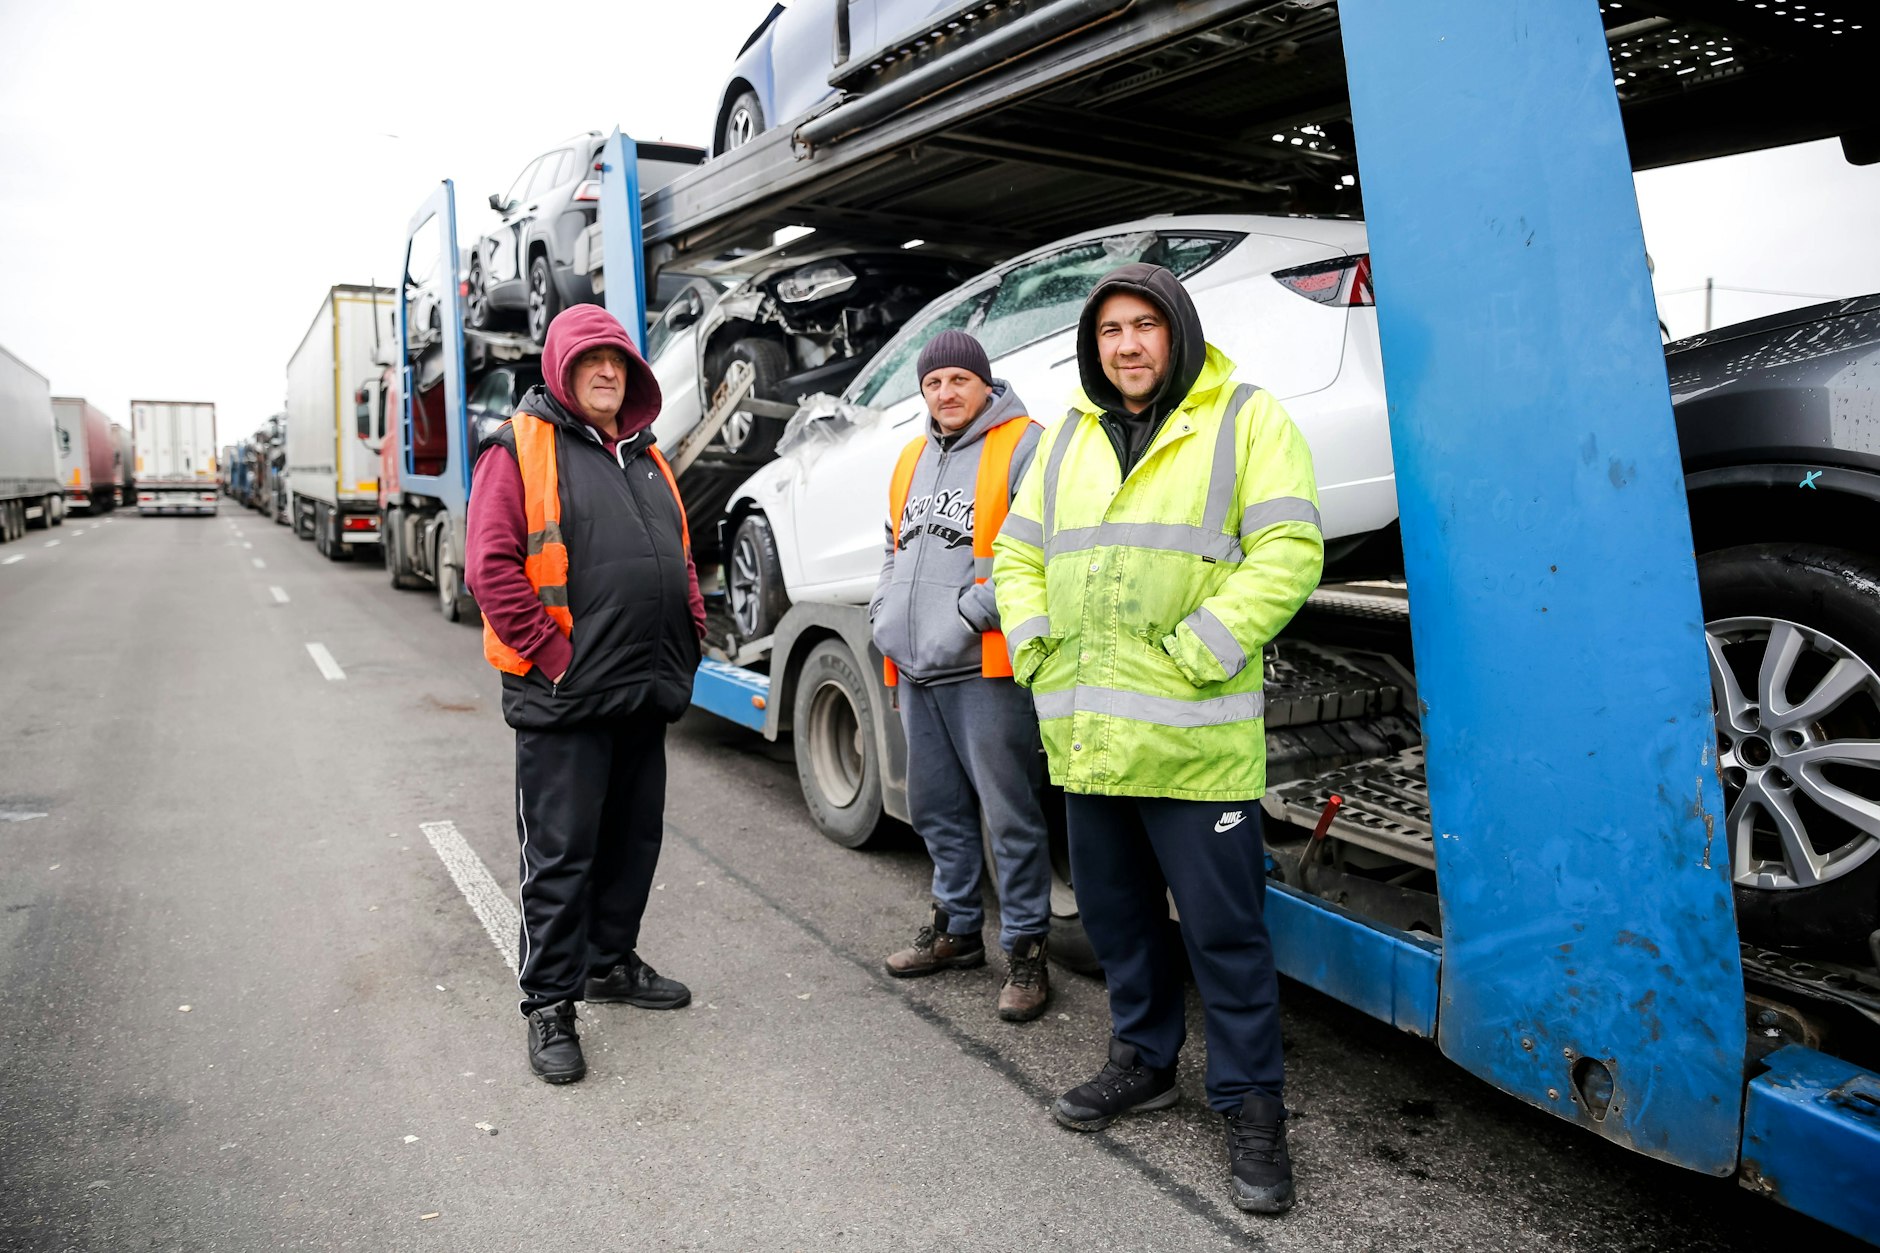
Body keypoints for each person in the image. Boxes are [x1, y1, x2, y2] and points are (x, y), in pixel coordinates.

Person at [992, 265, 1324, 1213]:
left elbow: (1291, 549)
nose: (1127, 345)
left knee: (1225, 935)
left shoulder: (1245, 418)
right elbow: (1017, 552)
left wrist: (1203, 644)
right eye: (1110, 331)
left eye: (1144, 326)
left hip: (1195, 745)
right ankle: (1142, 1060)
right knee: (1118, 922)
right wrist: (1032, 644)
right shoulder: (1066, 438)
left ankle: (1253, 1106)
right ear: (1094, 347)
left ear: (1176, 330)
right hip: (1092, 740)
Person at [466, 304, 705, 1085]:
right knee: (563, 855)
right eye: (592, 360)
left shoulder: (644, 455)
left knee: (633, 842)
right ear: (562, 370)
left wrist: (691, 632)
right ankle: (549, 1002)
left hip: (643, 688)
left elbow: (678, 555)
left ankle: (609, 961)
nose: (608, 372)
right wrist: (554, 656)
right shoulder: (517, 449)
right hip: (564, 695)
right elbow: (491, 568)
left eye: (621, 362)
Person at [870, 330, 1055, 1022]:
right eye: (933, 383)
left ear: (984, 383)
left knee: (1010, 816)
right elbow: (891, 543)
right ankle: (955, 931)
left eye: (957, 380)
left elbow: (1036, 549)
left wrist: (968, 616)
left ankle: (1028, 953)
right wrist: (884, 614)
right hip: (917, 666)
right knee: (936, 809)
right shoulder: (911, 456)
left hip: (985, 666)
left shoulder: (1025, 443)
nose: (945, 394)